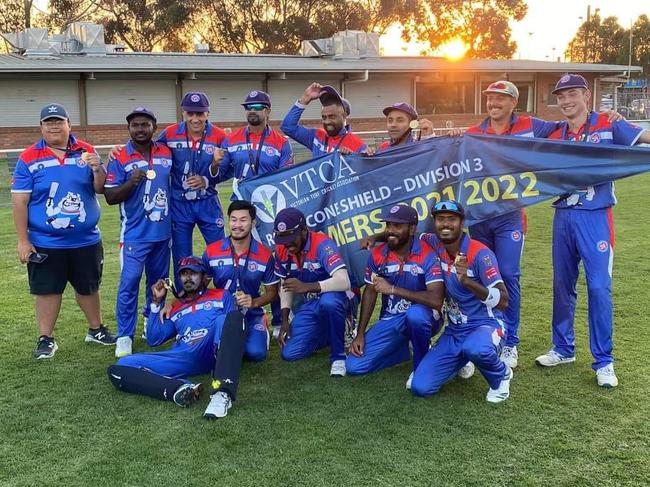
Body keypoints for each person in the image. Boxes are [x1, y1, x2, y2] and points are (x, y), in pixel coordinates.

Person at [535, 74, 650, 388]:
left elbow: (644, 140)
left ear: (586, 95)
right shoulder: (555, 131)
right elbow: (507, 132)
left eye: (573, 93)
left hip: (596, 216)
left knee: (598, 288)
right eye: (561, 96)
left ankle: (604, 361)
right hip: (563, 216)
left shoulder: (608, 123)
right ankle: (563, 348)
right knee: (562, 284)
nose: (567, 100)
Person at [461, 81, 562, 368]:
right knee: (478, 277)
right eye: (490, 98)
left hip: (511, 217)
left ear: (513, 102)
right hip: (479, 217)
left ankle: (510, 342)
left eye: (500, 99)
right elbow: (449, 157)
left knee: (507, 275)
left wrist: (605, 118)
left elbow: (566, 131)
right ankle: (479, 335)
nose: (493, 103)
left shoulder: (531, 125)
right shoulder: (472, 134)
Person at [12, 103, 116, 359]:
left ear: (69, 124)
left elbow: (101, 188)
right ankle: (46, 338)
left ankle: (96, 329)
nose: (54, 126)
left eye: (59, 121)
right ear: (41, 127)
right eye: (48, 122)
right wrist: (23, 241)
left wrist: (97, 168)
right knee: (48, 289)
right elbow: (20, 202)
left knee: (89, 286)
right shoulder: (28, 158)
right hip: (46, 241)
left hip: (86, 239)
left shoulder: (86, 150)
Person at [410, 201, 512, 403]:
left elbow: (504, 301)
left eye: (451, 219)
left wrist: (467, 281)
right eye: (440, 219)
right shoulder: (433, 242)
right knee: (420, 387)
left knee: (476, 349)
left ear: (462, 222)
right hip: (455, 330)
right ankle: (460, 361)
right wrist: (377, 237)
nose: (445, 224)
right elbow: (408, 235)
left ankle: (502, 374)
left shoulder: (480, 254)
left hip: (486, 325)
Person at [107, 256, 234, 408]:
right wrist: (156, 302)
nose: (188, 278)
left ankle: (221, 383)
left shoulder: (222, 296)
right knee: (124, 364)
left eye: (193, 273)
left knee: (223, 320)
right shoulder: (175, 307)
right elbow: (154, 339)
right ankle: (181, 387)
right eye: (183, 274)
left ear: (204, 277)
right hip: (182, 356)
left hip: (209, 349)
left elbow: (232, 327)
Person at [346, 205, 444, 388]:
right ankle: (405, 349)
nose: (391, 230)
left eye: (398, 226)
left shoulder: (427, 253)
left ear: (412, 228)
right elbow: (370, 292)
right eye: (389, 225)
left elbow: (436, 300)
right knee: (354, 365)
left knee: (415, 315)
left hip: (426, 317)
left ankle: (421, 366)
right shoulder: (377, 254)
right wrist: (360, 334)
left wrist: (393, 289)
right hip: (392, 319)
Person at [104, 107, 173, 357]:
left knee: (158, 283)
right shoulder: (120, 156)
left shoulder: (166, 150)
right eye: (135, 125)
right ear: (129, 128)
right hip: (134, 234)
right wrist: (131, 182)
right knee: (130, 282)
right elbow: (110, 196)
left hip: (163, 234)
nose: (140, 129)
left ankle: (151, 323)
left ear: (154, 127)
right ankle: (125, 334)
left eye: (145, 125)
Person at [156, 92, 228, 285]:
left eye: (200, 114)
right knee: (181, 255)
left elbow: (230, 168)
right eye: (190, 113)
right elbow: (150, 153)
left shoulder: (220, 136)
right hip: (180, 204)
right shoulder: (170, 134)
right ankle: (183, 301)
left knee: (220, 251)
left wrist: (207, 179)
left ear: (208, 113)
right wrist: (121, 149)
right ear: (183, 113)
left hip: (208, 202)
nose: (195, 119)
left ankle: (224, 296)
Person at [273, 208, 352, 376]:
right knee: (289, 354)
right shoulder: (282, 248)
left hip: (337, 297)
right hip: (311, 303)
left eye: (291, 238)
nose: (287, 244)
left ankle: (338, 357)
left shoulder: (323, 244)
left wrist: (307, 287)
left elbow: (344, 281)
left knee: (329, 302)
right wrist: (284, 319)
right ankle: (335, 330)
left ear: (303, 230)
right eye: (283, 239)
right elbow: (285, 284)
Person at [201, 200, 279, 362]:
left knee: (255, 354)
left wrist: (254, 302)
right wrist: (173, 302)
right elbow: (199, 289)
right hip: (220, 315)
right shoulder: (212, 251)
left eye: (243, 220)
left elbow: (272, 293)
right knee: (207, 350)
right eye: (233, 219)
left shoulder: (264, 254)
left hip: (251, 315)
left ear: (253, 222)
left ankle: (259, 326)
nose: (237, 225)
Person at [212, 90, 293, 199]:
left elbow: (287, 178)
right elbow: (218, 175)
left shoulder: (282, 142)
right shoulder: (230, 139)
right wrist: (214, 164)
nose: (252, 110)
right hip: (241, 202)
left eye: (257, 107)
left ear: (268, 111)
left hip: (270, 203)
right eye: (248, 107)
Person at [280, 83, 368, 157]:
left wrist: (351, 159)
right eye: (324, 117)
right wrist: (305, 99)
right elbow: (287, 127)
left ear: (344, 116)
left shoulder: (359, 145)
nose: (327, 121)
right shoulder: (317, 136)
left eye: (332, 116)